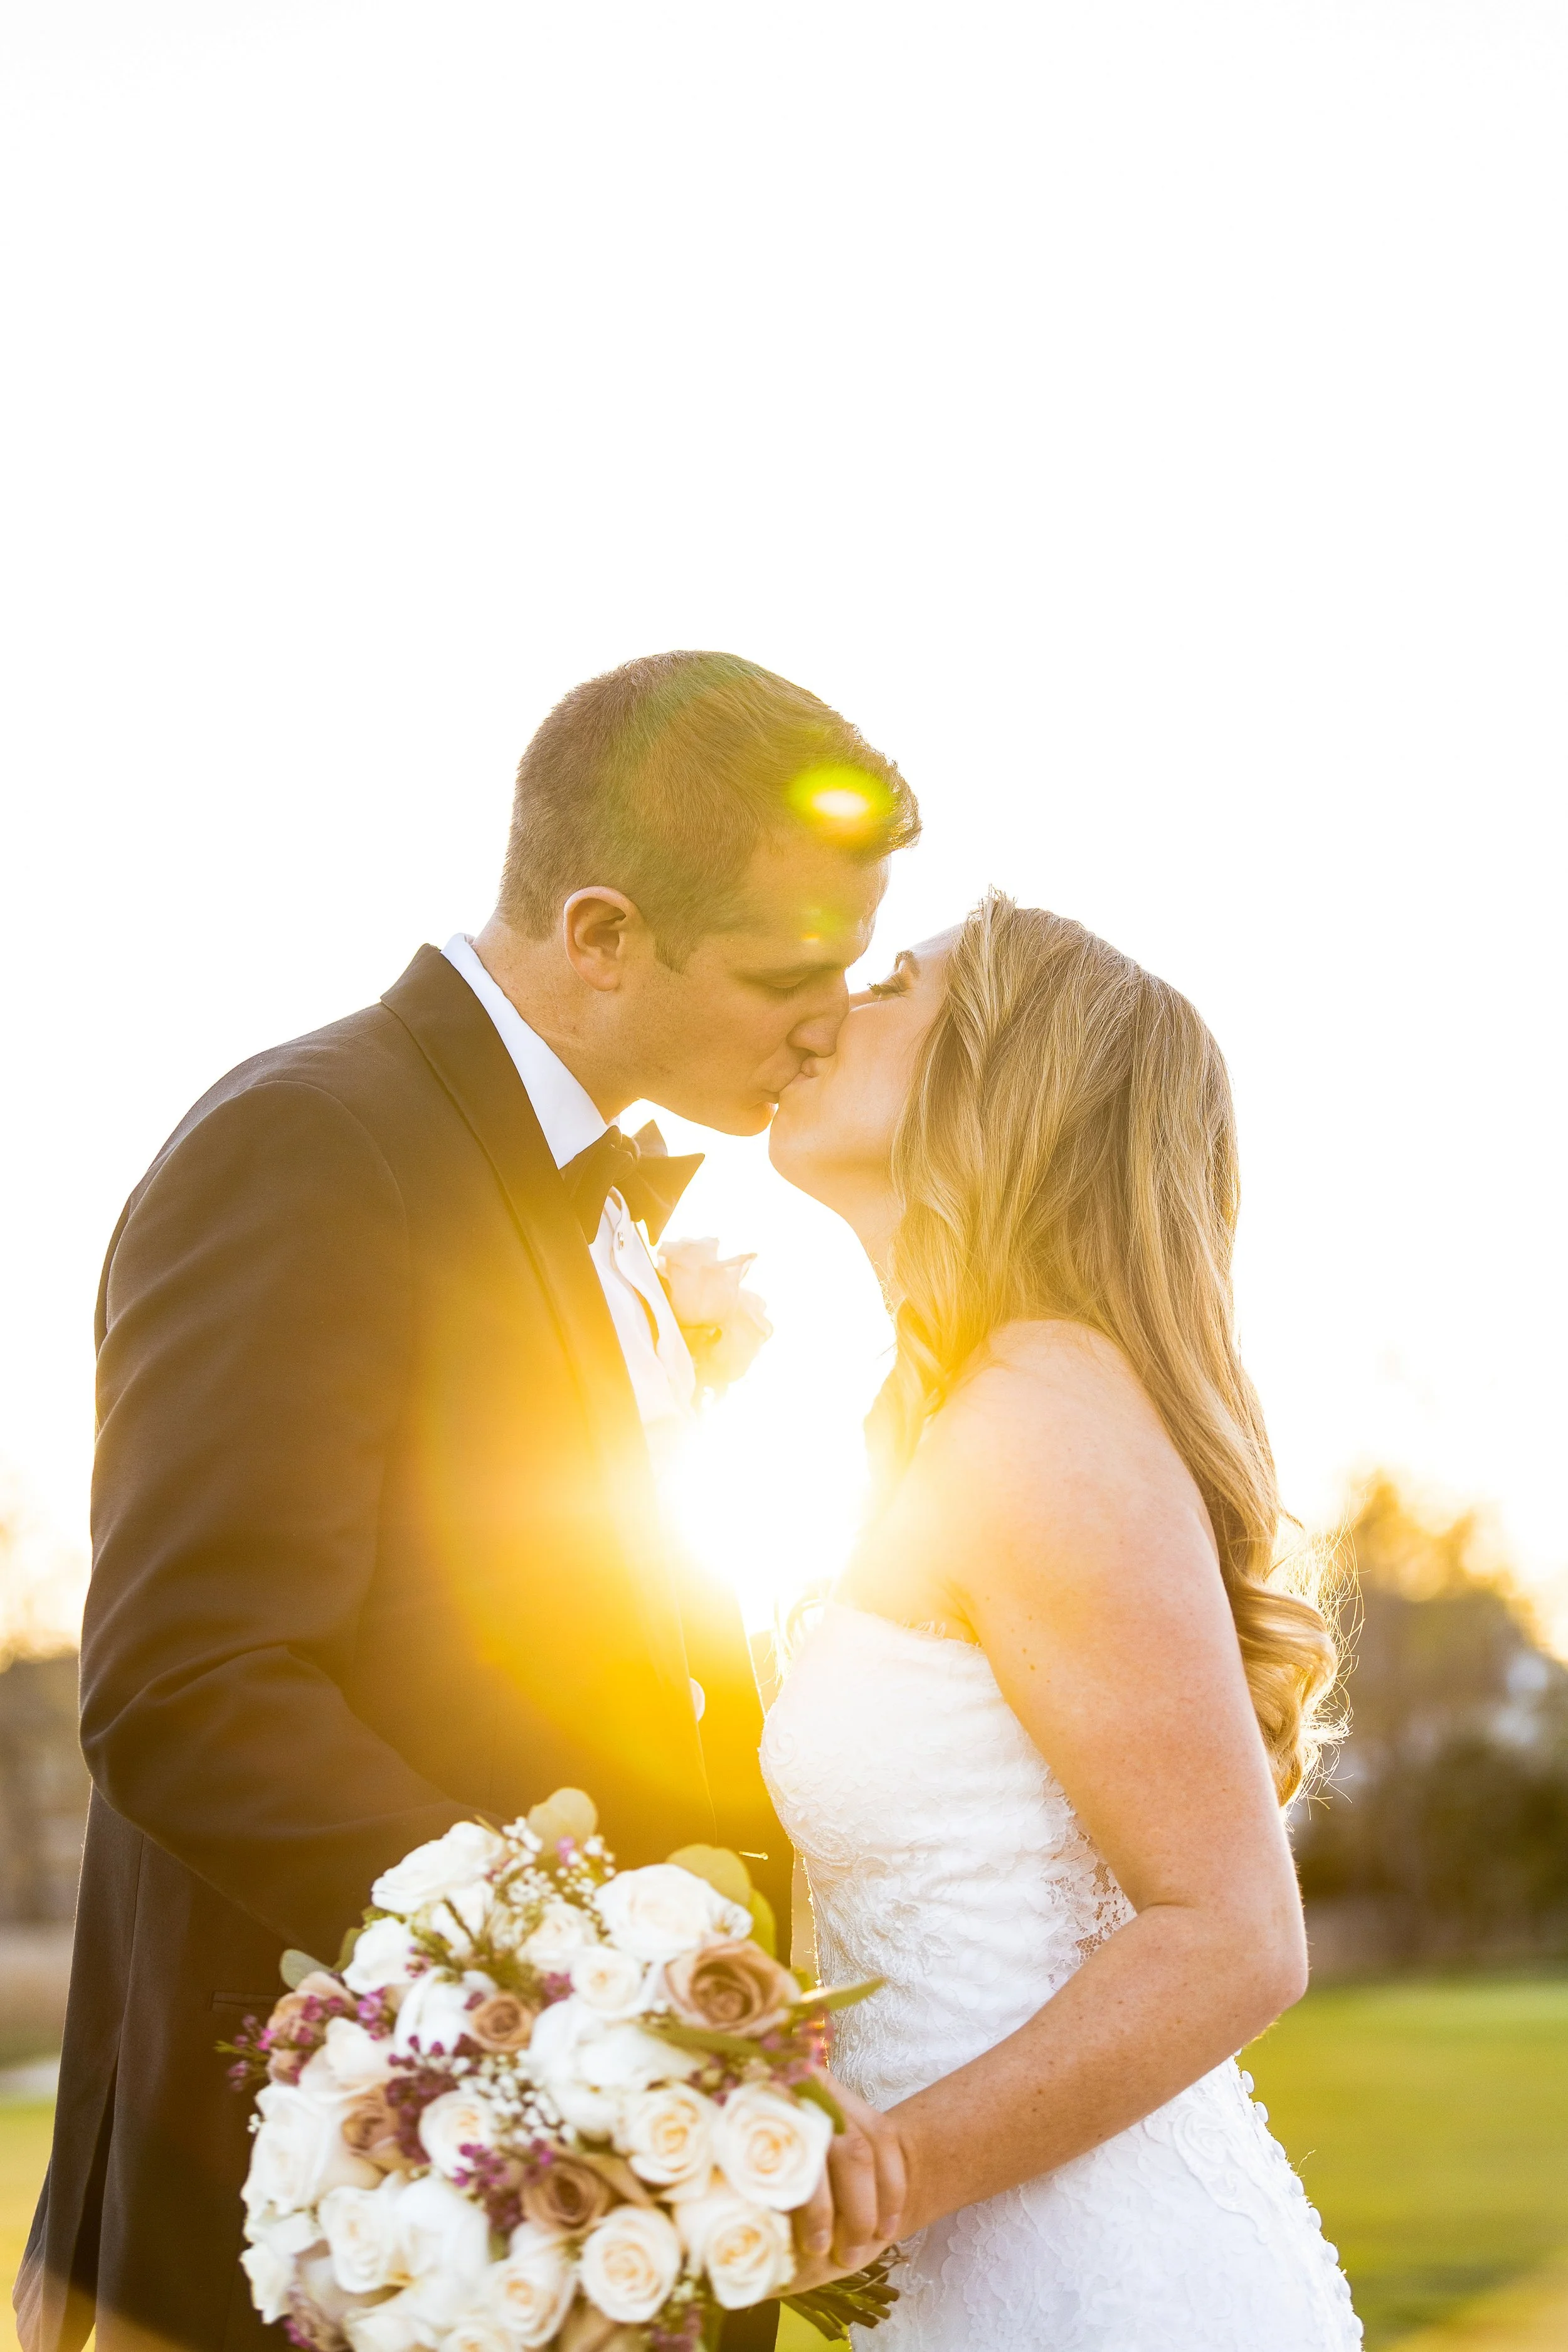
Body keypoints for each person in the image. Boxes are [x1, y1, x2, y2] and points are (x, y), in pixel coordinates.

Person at [16, 652, 918, 2352]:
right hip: (354, 2215)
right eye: (786, 970)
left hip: (574, 2216)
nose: (825, 1016)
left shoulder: (570, 1196)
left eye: (853, 970)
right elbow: (191, 1684)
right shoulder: (312, 1144)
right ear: (597, 934)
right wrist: (595, 1988)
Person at [764, 895, 1362, 2349]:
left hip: (1108, 2295)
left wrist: (883, 2173)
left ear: (997, 1075)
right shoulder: (954, 1421)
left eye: (892, 979)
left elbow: (1231, 1934)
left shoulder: (1038, 1414)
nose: (832, 993)